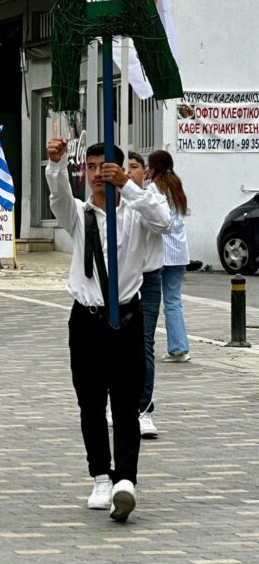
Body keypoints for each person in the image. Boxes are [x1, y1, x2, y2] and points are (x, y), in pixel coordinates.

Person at [46, 139, 171, 522]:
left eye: (106, 167)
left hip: (127, 319)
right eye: (93, 167)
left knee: (126, 404)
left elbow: (164, 219)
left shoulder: (135, 213)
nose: (98, 175)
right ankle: (101, 475)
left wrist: (129, 186)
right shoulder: (79, 214)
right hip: (86, 318)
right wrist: (57, 164)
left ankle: (126, 480)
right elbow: (59, 196)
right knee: (90, 403)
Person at [126, 152, 164, 438]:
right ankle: (117, 402)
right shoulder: (106, 202)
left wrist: (129, 190)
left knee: (144, 342)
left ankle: (143, 408)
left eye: (134, 167)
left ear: (145, 171)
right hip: (119, 280)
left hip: (148, 280)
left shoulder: (153, 198)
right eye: (123, 168)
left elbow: (163, 222)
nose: (128, 172)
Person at [148, 150, 192, 364]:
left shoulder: (154, 187)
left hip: (161, 252)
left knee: (150, 301)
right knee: (173, 301)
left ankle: (145, 344)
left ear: (154, 167)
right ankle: (179, 347)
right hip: (180, 252)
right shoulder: (177, 184)